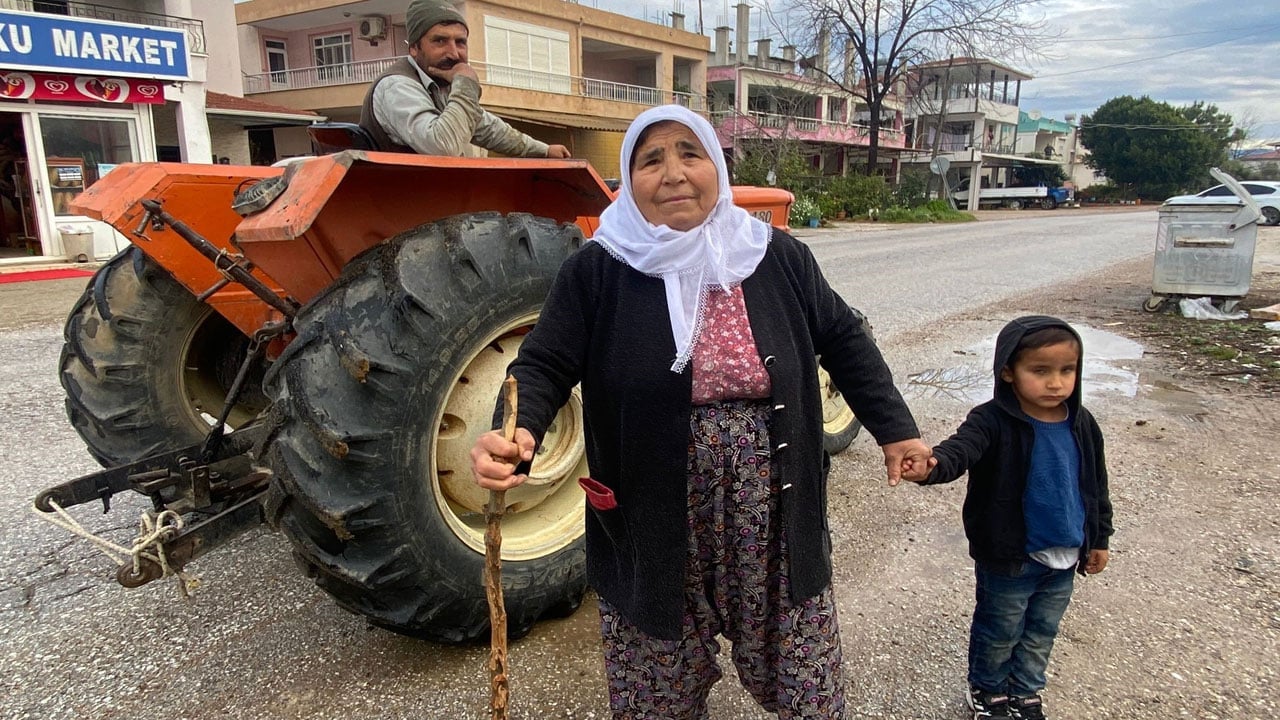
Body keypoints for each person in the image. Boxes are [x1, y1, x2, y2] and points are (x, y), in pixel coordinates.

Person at [470, 104, 932, 719]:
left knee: (806, 677)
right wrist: (516, 432)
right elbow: (544, 364)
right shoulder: (598, 268)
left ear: (716, 165)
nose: (674, 173)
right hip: (650, 506)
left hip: (773, 504)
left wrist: (895, 431)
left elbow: (844, 338)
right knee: (657, 682)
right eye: (651, 159)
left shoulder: (775, 255)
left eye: (690, 153)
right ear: (628, 181)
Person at [902, 316, 1114, 720]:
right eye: (1040, 371)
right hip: (1010, 558)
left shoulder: (1082, 423)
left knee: (1041, 632)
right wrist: (931, 466)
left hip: (1065, 557)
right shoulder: (990, 420)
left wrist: (1099, 539)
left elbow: (1096, 487)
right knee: (999, 632)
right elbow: (959, 451)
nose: (1056, 383)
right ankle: (989, 691)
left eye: (1067, 370)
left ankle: (1027, 692)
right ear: (1008, 371)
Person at [358, 0, 571, 159]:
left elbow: (487, 128)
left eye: (460, 42)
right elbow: (442, 147)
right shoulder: (397, 86)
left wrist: (543, 150)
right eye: (440, 41)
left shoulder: (441, 84)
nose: (454, 53)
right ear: (414, 48)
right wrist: (466, 84)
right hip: (395, 204)